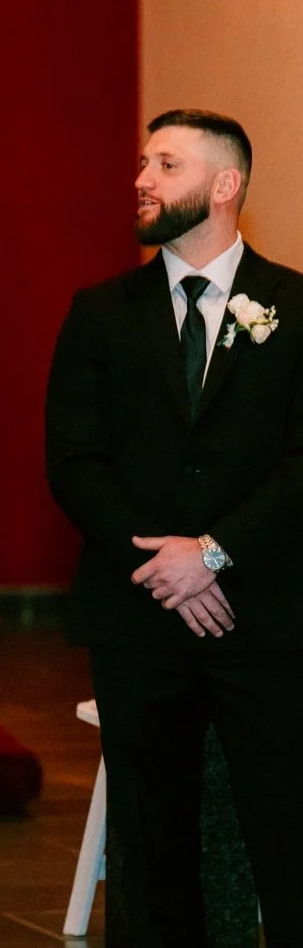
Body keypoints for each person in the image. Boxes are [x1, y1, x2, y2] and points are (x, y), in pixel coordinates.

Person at [46, 109, 303, 946]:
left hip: (264, 612)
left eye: (166, 165)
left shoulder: (297, 307)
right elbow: (75, 461)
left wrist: (217, 554)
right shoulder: (100, 313)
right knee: (151, 844)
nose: (142, 180)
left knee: (289, 830)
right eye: (142, 163)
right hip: (140, 614)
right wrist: (168, 567)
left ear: (225, 185)